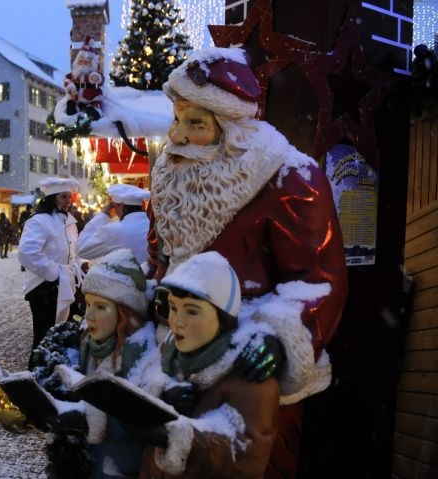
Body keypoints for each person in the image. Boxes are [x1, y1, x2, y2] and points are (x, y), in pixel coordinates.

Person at [147, 47, 349, 478]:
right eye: (177, 120)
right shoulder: (172, 178)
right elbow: (160, 258)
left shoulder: (291, 178)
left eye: (196, 123)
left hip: (245, 368)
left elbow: (318, 279)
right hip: (175, 359)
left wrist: (278, 338)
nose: (177, 138)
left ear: (233, 129)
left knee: (244, 464)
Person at [135, 252, 280, 478]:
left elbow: (244, 457)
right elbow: (144, 384)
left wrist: (177, 437)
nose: (177, 321)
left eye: (192, 311)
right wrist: (161, 395)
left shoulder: (248, 380)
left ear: (222, 317)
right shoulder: (168, 353)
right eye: (173, 307)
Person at [29, 248, 159, 478]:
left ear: (125, 311)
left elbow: (138, 418)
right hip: (91, 462)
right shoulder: (89, 344)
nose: (89, 316)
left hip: (122, 467)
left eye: (101, 307)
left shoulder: (141, 354)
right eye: (88, 305)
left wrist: (84, 418)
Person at [18, 177, 88, 369]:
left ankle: (56, 374)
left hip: (66, 285)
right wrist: (56, 274)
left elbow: (71, 254)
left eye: (69, 196)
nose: (68, 201)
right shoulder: (39, 221)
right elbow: (27, 253)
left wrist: (81, 264)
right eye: (63, 197)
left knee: (63, 333)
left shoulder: (70, 222)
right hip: (43, 288)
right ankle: (36, 375)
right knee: (43, 336)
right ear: (52, 198)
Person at [77, 183, 150, 264]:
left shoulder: (114, 230)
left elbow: (81, 249)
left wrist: (104, 214)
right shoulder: (153, 225)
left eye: (114, 206)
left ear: (121, 206)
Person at [64, 35, 104, 120]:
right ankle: (72, 109)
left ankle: (94, 112)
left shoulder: (93, 73)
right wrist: (71, 88)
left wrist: (96, 78)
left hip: (91, 97)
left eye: (86, 62)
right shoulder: (75, 74)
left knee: (95, 105)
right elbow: (66, 79)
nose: (83, 64)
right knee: (71, 102)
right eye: (81, 61)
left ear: (91, 63)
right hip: (77, 98)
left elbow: (101, 79)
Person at [18, 204, 34, 272]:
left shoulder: (27, 215)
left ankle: (24, 265)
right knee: (27, 249)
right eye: (30, 208)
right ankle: (24, 265)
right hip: (28, 233)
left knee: (25, 249)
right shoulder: (29, 215)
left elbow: (19, 223)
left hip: (25, 233)